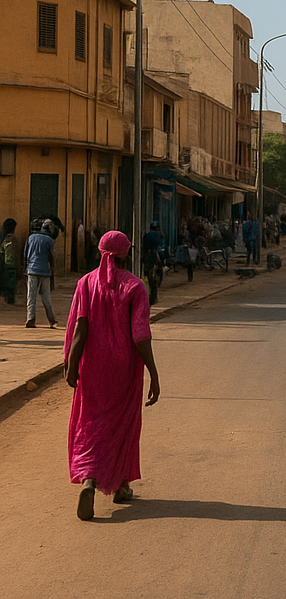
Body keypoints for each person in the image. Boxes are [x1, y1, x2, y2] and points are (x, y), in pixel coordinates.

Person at [63, 230, 160, 520]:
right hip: (124, 368)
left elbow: (80, 328)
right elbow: (140, 335)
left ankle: (90, 480)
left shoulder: (85, 284)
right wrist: (153, 373)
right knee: (123, 426)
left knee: (91, 424)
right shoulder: (134, 286)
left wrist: (71, 363)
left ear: (100, 252)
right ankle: (121, 485)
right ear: (126, 254)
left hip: (93, 367)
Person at [24, 218, 58, 328]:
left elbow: (25, 255)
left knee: (31, 297)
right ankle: (51, 320)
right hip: (45, 272)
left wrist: (25, 268)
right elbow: (51, 258)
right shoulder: (49, 240)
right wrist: (52, 272)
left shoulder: (31, 238)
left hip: (32, 270)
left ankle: (31, 318)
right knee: (46, 298)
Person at [141, 221, 164, 305]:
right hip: (157, 259)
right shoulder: (160, 236)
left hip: (150, 259)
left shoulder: (148, 236)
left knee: (149, 278)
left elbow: (145, 248)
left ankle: (151, 298)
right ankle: (153, 298)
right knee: (153, 279)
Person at [1, 218, 17, 304]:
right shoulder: (10, 240)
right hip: (9, 265)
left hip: (4, 264)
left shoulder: (3, 238)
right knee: (10, 286)